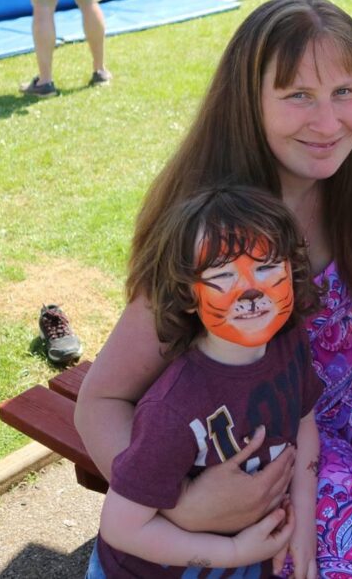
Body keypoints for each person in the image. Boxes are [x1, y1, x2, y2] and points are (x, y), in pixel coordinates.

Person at [75, 0, 352, 578]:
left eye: (345, 92)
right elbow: (102, 400)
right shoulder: (215, 233)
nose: (327, 122)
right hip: (283, 442)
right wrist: (180, 508)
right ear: (248, 103)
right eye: (297, 96)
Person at [96, 186, 320, 578]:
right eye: (222, 275)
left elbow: (304, 421)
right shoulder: (174, 410)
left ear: (292, 269)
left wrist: (304, 524)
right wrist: (233, 550)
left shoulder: (289, 342)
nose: (251, 292)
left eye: (267, 266)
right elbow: (121, 527)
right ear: (187, 293)